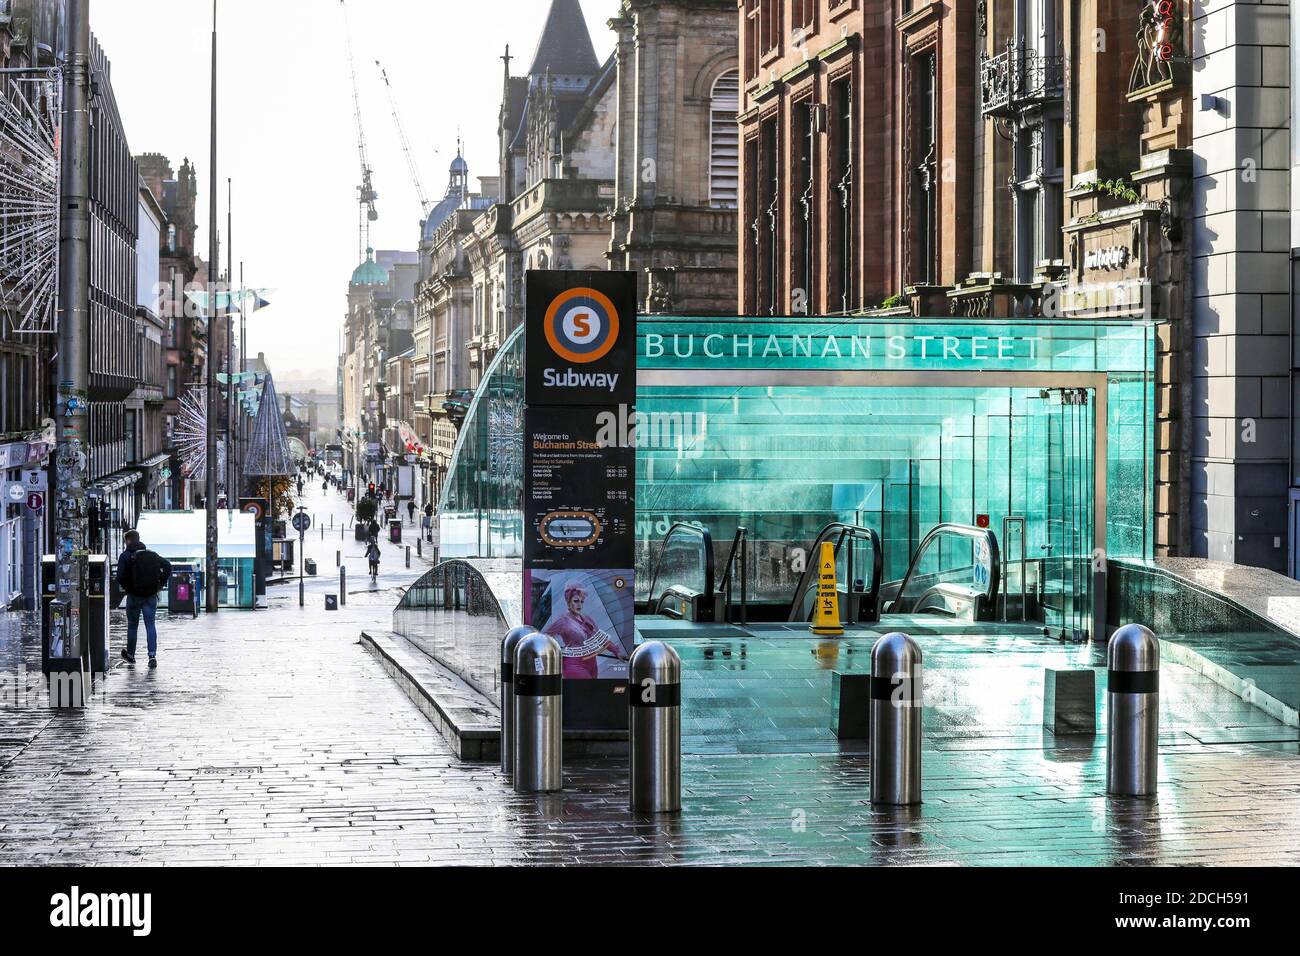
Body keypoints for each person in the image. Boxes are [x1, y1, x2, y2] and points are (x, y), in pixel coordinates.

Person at [541, 581, 623, 680]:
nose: (579, 604)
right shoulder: (562, 621)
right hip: (573, 665)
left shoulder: (588, 619)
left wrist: (616, 651)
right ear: (568, 601)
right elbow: (543, 639)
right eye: (576, 601)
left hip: (592, 664)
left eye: (582, 601)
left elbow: (600, 639)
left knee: (590, 693)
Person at [116, 530, 172, 668]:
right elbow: (168, 566)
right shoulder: (152, 555)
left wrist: (129, 588)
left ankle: (130, 655)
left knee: (132, 626)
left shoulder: (125, 556)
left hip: (134, 597)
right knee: (150, 625)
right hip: (150, 595)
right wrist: (160, 583)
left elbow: (120, 577)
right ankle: (152, 656)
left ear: (128, 541)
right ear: (138, 539)